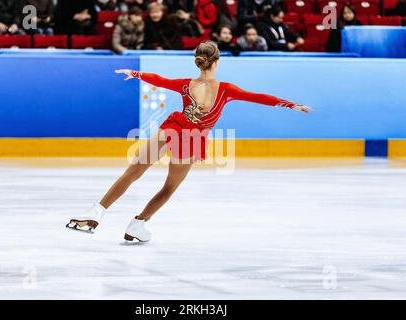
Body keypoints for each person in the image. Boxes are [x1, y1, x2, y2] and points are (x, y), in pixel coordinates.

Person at [66, 41, 311, 241]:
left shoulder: (186, 85)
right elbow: (258, 98)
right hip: (190, 139)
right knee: (168, 188)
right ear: (217, 62)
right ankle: (137, 225)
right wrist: (291, 105)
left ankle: (96, 213)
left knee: (132, 172)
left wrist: (136, 73)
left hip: (171, 128)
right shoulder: (226, 89)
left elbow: (160, 80)